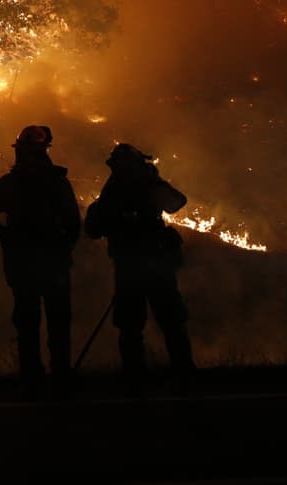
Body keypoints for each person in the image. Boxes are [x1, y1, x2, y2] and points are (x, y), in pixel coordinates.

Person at [0, 125, 81, 398]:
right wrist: (64, 247)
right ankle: (62, 379)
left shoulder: (11, 184)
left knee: (27, 321)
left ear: (20, 150)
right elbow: (73, 222)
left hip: (22, 264)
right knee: (58, 321)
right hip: (53, 263)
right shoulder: (58, 182)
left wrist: (0, 234)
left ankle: (33, 380)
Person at [84, 143, 194, 393]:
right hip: (154, 264)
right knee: (169, 321)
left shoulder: (113, 189)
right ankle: (183, 373)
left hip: (129, 266)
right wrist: (153, 180)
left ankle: (136, 378)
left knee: (131, 325)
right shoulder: (143, 185)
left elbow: (94, 229)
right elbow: (177, 202)